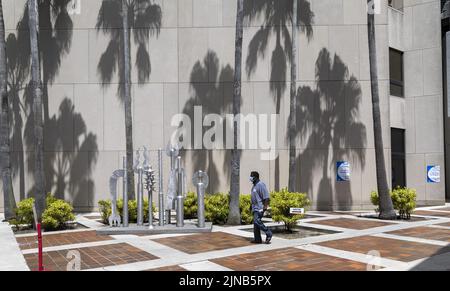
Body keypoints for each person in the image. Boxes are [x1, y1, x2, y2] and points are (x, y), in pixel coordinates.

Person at [249, 171, 273, 244]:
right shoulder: (254, 186)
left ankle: (268, 233)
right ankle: (257, 239)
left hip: (260, 208)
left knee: (257, 221)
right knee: (256, 224)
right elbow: (254, 197)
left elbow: (266, 197)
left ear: (256, 177)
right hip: (254, 208)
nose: (250, 178)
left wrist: (265, 206)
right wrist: (250, 206)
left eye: (252, 176)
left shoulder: (261, 185)